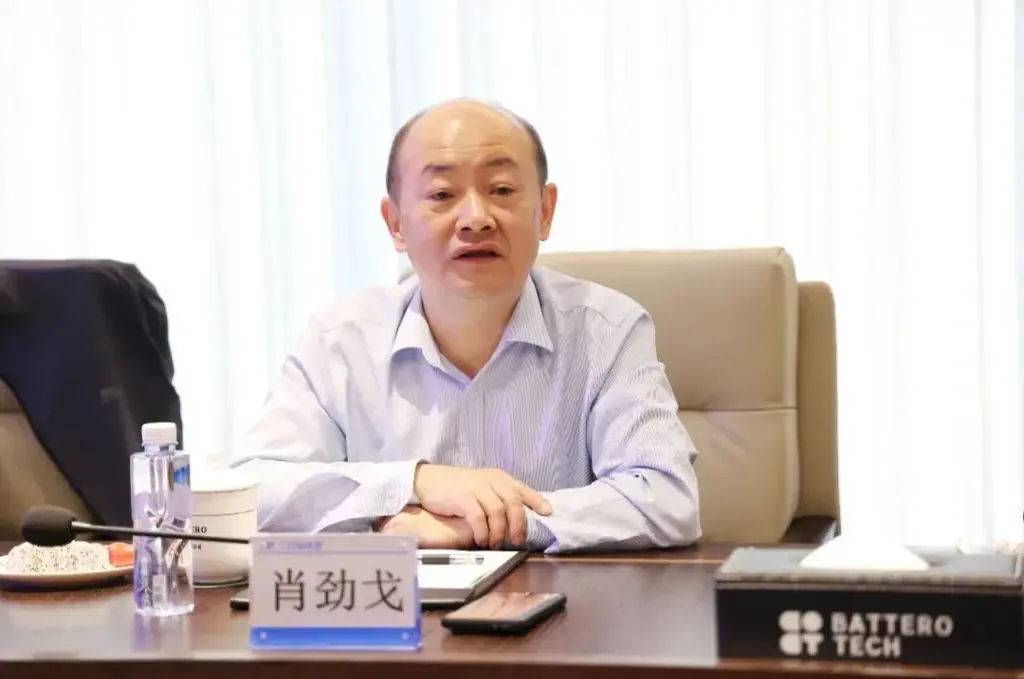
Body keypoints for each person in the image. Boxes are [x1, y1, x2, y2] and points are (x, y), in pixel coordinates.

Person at [229, 98, 701, 553]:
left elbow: (667, 498)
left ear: (545, 210)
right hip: (392, 605)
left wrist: (482, 525)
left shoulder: (608, 331)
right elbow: (251, 493)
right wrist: (415, 481)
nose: (475, 219)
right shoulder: (339, 341)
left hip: (563, 604)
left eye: (502, 190)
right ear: (395, 223)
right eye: (442, 195)